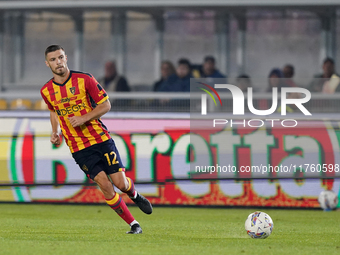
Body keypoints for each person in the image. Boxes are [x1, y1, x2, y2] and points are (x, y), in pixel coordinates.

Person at [40, 45, 152, 234]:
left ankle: (134, 194)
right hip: (78, 147)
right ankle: (134, 225)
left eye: (60, 57)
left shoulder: (85, 79)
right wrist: (55, 131)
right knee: (105, 186)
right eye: (53, 59)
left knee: (120, 183)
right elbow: (53, 109)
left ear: (66, 58)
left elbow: (106, 104)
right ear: (47, 63)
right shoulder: (46, 90)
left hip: (100, 139)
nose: (58, 62)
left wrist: (84, 118)